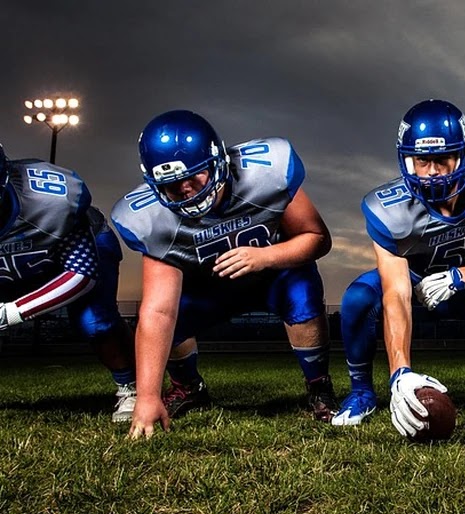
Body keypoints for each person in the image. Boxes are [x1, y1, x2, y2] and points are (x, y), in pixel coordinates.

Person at [111, 109, 336, 438]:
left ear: (217, 161)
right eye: (172, 185)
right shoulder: (149, 219)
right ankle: (188, 387)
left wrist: (265, 256)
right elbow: (159, 310)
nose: (187, 189)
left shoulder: (267, 172)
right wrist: (146, 396)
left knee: (302, 290)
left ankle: (318, 386)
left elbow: (317, 239)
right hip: (207, 287)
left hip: (271, 275)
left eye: (195, 176)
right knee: (164, 319)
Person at [336, 98, 465, 434]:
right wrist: (401, 373)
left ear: (461, 157)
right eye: (422, 161)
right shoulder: (389, 210)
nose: (432, 171)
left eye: (442, 160)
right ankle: (362, 392)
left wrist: (461, 276)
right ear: (407, 160)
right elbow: (395, 292)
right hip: (416, 284)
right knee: (357, 298)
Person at [0, 143, 138, 421]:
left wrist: (10, 313)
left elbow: (82, 273)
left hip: (69, 254)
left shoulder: (51, 201)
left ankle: (132, 386)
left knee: (96, 321)